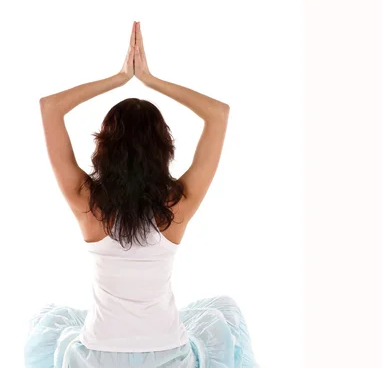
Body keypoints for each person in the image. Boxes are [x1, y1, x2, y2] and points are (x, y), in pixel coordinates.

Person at [24, 21, 259, 368]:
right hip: (169, 356)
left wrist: (118, 78)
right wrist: (150, 79)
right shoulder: (177, 205)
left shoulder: (87, 203)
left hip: (96, 359)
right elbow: (218, 114)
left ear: (105, 147)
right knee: (225, 311)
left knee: (48, 320)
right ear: (163, 146)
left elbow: (50, 107)